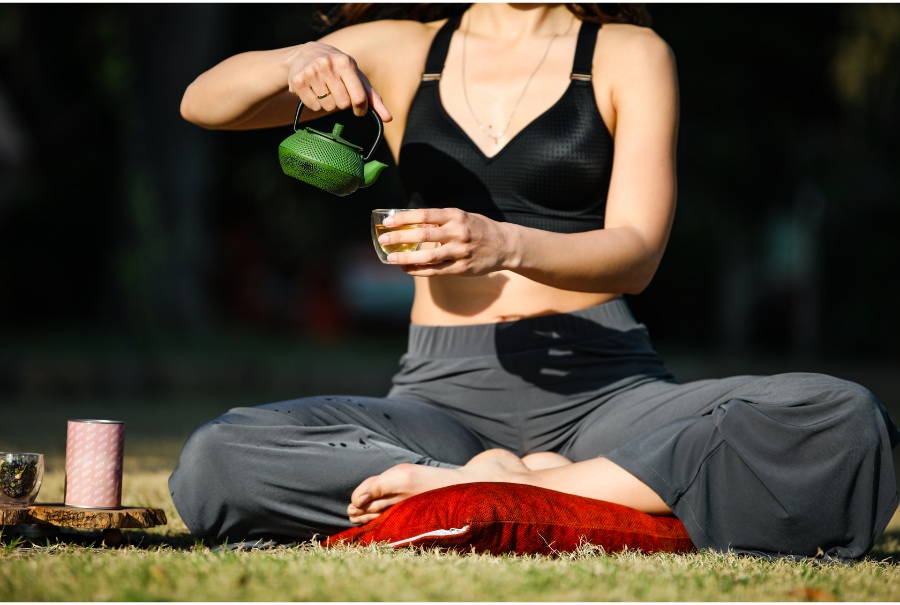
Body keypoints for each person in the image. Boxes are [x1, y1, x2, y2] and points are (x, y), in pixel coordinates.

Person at [169, 3, 899, 559]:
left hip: (608, 396)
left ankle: (512, 489)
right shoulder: (402, 48)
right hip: (438, 404)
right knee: (218, 455)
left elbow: (637, 252)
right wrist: (301, 60)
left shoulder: (628, 53)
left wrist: (506, 243)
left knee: (842, 419)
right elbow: (201, 101)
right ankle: (507, 479)